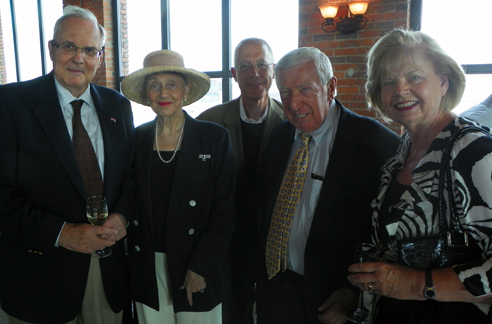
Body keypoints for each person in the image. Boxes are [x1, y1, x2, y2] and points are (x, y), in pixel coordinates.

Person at [0, 5, 134, 324]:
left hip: (106, 266)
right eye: (68, 46)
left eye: (88, 50)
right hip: (40, 272)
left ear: (100, 55)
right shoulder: (6, 105)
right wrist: (64, 233)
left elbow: (129, 176)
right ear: (51, 49)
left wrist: (123, 215)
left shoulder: (119, 107)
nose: (78, 58)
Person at [347, 29, 492, 324]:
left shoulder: (473, 149)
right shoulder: (399, 154)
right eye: (389, 82)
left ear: (443, 81)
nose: (400, 90)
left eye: (414, 77)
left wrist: (416, 284)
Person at [257, 47, 399, 324]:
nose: (294, 104)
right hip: (275, 291)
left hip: (333, 302)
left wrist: (354, 292)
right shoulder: (279, 136)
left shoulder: (376, 143)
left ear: (331, 86)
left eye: (305, 90)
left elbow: (390, 236)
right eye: (285, 92)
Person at [121, 49, 235, 324]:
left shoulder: (213, 138)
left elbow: (225, 211)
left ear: (185, 90)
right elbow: (128, 195)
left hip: (195, 260)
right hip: (148, 263)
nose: (163, 93)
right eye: (154, 85)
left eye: (172, 84)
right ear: (146, 94)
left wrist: (200, 267)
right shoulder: (138, 137)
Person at [197, 37, 285, 324]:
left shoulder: (291, 121)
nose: (254, 73)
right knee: (234, 312)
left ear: (273, 71)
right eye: (245, 66)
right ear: (234, 74)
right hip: (228, 242)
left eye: (261, 65)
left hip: (276, 241)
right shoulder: (209, 122)